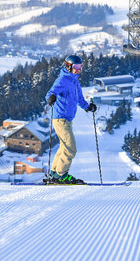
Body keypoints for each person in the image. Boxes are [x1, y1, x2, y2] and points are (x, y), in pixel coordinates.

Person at [46, 55, 97, 184]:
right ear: (68, 66)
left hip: (67, 119)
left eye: (80, 67)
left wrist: (88, 107)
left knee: (64, 147)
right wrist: (51, 98)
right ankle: (61, 175)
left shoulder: (75, 82)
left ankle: (54, 173)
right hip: (60, 118)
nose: (78, 70)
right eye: (76, 67)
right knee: (71, 149)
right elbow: (50, 93)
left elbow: (80, 99)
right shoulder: (62, 80)